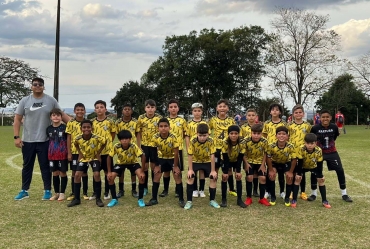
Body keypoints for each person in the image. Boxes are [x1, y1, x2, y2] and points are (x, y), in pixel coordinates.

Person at [14, 77, 70, 201]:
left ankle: (47, 191)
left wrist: (75, 125)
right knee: (27, 166)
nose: (37, 86)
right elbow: (17, 119)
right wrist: (16, 137)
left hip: (45, 140)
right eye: (35, 84)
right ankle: (24, 190)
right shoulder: (25, 101)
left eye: (40, 84)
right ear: (31, 86)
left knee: (45, 166)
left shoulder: (50, 100)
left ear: (43, 86)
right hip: (28, 140)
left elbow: (62, 114)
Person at [310, 110, 353, 202]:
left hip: (332, 152)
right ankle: (313, 193)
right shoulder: (315, 128)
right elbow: (312, 139)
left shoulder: (334, 127)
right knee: (315, 172)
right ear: (320, 118)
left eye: (327, 117)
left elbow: (334, 137)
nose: (325, 118)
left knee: (340, 170)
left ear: (330, 118)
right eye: (323, 117)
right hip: (318, 153)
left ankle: (344, 193)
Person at [146, 118, 185, 207]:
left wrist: (175, 166)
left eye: (165, 126)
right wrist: (156, 165)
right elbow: (153, 152)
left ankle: (181, 199)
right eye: (161, 126)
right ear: (158, 128)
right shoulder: (155, 137)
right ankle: (154, 199)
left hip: (172, 158)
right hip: (161, 158)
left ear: (169, 127)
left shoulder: (173, 137)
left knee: (177, 175)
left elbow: (176, 153)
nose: (163, 128)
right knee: (156, 175)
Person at [67, 120, 106, 207]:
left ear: (92, 128)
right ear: (81, 129)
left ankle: (98, 198)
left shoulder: (96, 137)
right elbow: (75, 144)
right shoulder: (78, 138)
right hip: (84, 158)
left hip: (94, 158)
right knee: (77, 175)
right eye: (84, 127)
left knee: (96, 174)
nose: (86, 129)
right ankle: (77, 199)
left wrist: (98, 153)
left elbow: (104, 142)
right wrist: (80, 154)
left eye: (88, 127)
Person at [106, 130, 146, 208]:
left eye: (126, 138)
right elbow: (109, 157)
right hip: (120, 163)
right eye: (122, 139)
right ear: (120, 140)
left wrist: (142, 171)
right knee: (110, 178)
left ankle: (140, 199)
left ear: (130, 139)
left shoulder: (133, 146)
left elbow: (143, 156)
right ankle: (114, 199)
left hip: (133, 163)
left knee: (142, 177)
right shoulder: (116, 146)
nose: (124, 140)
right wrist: (109, 172)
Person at [184, 123, 219, 209]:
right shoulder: (192, 140)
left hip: (207, 161)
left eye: (204, 135)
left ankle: (212, 200)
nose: (202, 138)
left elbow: (212, 155)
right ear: (197, 134)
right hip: (195, 161)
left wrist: (213, 170)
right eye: (200, 135)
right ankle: (189, 201)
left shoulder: (211, 140)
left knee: (213, 178)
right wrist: (190, 169)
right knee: (190, 177)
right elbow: (190, 154)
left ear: (208, 134)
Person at [293, 133, 331, 208]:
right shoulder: (301, 148)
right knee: (297, 179)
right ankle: (294, 200)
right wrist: (299, 174)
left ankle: (324, 200)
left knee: (321, 180)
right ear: (304, 143)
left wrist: (320, 175)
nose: (309, 145)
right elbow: (300, 162)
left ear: (315, 143)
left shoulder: (318, 150)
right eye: (307, 143)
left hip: (314, 166)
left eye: (312, 143)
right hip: (303, 166)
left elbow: (320, 163)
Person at [209, 99, 236, 196]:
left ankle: (231, 189)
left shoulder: (231, 120)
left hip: (227, 149)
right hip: (216, 149)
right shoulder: (213, 120)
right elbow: (207, 131)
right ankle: (213, 188)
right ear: (217, 108)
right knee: (215, 169)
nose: (222, 108)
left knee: (228, 169)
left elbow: (234, 133)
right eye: (220, 106)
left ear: (227, 108)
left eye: (224, 106)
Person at [90, 100, 116, 201]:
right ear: (95, 110)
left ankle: (106, 191)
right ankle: (96, 192)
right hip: (95, 152)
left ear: (105, 109)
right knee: (95, 172)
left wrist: (108, 143)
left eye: (101, 107)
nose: (99, 109)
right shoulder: (92, 122)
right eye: (97, 107)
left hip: (107, 152)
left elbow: (113, 134)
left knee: (107, 172)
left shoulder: (110, 121)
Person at [266, 126, 297, 206]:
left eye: (284, 134)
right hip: (274, 163)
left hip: (286, 163)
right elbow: (268, 158)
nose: (281, 136)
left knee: (289, 177)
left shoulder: (290, 146)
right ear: (276, 136)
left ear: (287, 136)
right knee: (272, 175)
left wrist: (291, 172)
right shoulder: (271, 146)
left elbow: (294, 159)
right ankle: (273, 197)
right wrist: (270, 170)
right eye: (279, 134)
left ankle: (287, 198)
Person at [136, 99, 163, 196]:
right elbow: (138, 132)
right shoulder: (141, 118)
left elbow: (162, 133)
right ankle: (145, 187)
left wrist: (160, 146)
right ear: (145, 108)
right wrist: (139, 146)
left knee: (154, 167)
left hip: (155, 146)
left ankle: (153, 186)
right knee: (145, 167)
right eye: (148, 107)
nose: (150, 109)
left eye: (152, 107)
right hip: (144, 146)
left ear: (155, 108)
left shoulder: (159, 118)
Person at [262, 103, 288, 200]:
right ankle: (268, 191)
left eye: (277, 110)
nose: (275, 111)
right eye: (273, 110)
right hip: (270, 151)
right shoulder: (267, 123)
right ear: (270, 112)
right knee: (270, 172)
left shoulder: (284, 123)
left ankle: (282, 191)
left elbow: (286, 136)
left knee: (281, 173)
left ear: (280, 112)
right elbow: (264, 137)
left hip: (281, 150)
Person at [287, 104, 312, 201]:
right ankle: (293, 191)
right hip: (292, 152)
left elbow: (310, 138)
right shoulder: (289, 125)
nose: (298, 114)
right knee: (292, 172)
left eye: (300, 112)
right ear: (293, 114)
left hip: (303, 152)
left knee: (301, 173)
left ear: (303, 114)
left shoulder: (307, 125)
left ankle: (303, 192)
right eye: (296, 112)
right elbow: (287, 137)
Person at [163, 99, 187, 197]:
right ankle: (165, 190)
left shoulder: (182, 121)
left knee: (177, 170)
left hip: (178, 149)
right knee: (166, 170)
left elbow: (185, 134)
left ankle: (178, 190)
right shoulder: (165, 120)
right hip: (166, 150)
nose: (173, 108)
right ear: (168, 109)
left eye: (175, 107)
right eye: (171, 107)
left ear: (178, 108)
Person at [65, 103, 88, 201]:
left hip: (85, 152)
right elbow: (69, 138)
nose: (80, 111)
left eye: (82, 109)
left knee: (84, 172)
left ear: (85, 111)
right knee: (74, 172)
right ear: (74, 111)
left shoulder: (87, 123)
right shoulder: (71, 123)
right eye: (78, 110)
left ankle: (85, 192)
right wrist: (69, 152)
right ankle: (74, 192)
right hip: (74, 152)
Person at [115, 103, 139, 198]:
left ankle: (134, 190)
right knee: (121, 170)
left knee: (133, 171)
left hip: (132, 149)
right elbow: (117, 134)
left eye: (129, 109)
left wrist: (138, 145)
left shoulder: (135, 122)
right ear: (122, 111)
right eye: (125, 109)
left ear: (131, 111)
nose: (127, 111)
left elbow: (138, 134)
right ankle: (121, 190)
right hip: (122, 149)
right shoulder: (118, 122)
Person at [221, 125, 247, 208]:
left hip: (236, 160)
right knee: (225, 177)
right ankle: (224, 199)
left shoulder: (242, 142)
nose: (233, 135)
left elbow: (240, 157)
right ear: (228, 134)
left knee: (238, 176)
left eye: (236, 133)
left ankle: (239, 200)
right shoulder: (225, 142)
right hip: (226, 160)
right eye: (231, 133)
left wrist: (238, 171)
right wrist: (225, 172)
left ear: (238, 134)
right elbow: (225, 157)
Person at [244, 124, 271, 206]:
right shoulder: (246, 140)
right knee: (249, 177)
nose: (256, 135)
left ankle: (262, 198)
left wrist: (263, 165)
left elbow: (266, 153)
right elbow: (243, 153)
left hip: (260, 162)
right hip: (249, 161)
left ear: (261, 133)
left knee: (262, 178)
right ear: (251, 133)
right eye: (254, 133)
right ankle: (249, 198)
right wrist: (246, 164)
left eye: (258, 133)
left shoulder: (264, 141)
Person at [185, 103, 208, 198]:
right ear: (192, 112)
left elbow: (207, 136)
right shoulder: (189, 124)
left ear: (202, 112)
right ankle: (194, 189)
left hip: (203, 152)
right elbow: (187, 137)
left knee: (202, 171)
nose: (197, 113)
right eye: (195, 111)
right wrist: (188, 148)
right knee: (193, 171)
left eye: (199, 111)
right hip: (193, 151)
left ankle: (201, 190)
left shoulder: (205, 123)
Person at [47, 108, 68, 201]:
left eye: (58, 115)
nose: (56, 117)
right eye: (54, 115)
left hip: (62, 154)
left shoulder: (65, 128)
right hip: (52, 154)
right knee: (55, 173)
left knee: (62, 173)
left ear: (61, 117)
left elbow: (68, 140)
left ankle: (62, 193)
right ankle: (56, 193)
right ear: (50, 117)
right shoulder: (49, 129)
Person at [241, 108, 260, 197]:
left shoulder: (259, 126)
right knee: (248, 172)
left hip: (257, 154)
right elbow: (241, 140)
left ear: (256, 116)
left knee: (256, 173)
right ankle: (248, 190)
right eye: (249, 115)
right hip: (246, 154)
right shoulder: (243, 127)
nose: (251, 117)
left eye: (253, 115)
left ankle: (255, 190)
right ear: (246, 117)